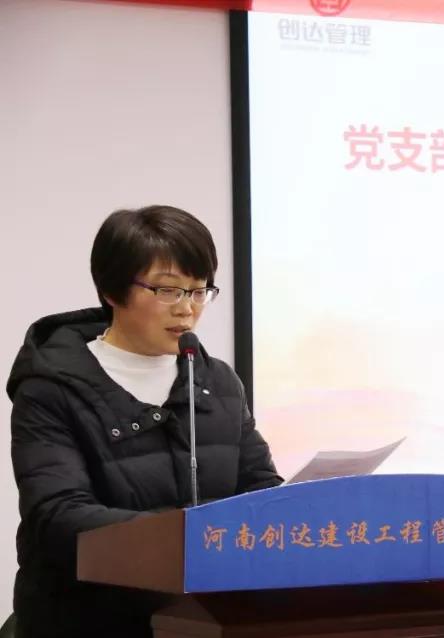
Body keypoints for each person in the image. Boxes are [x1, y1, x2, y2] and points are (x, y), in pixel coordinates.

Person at [6, 205, 283, 637]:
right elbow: (57, 516)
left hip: (204, 619)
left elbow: (260, 487)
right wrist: (187, 535)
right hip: (87, 621)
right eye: (168, 291)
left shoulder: (217, 382)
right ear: (112, 290)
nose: (187, 309)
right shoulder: (51, 387)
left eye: (199, 291)